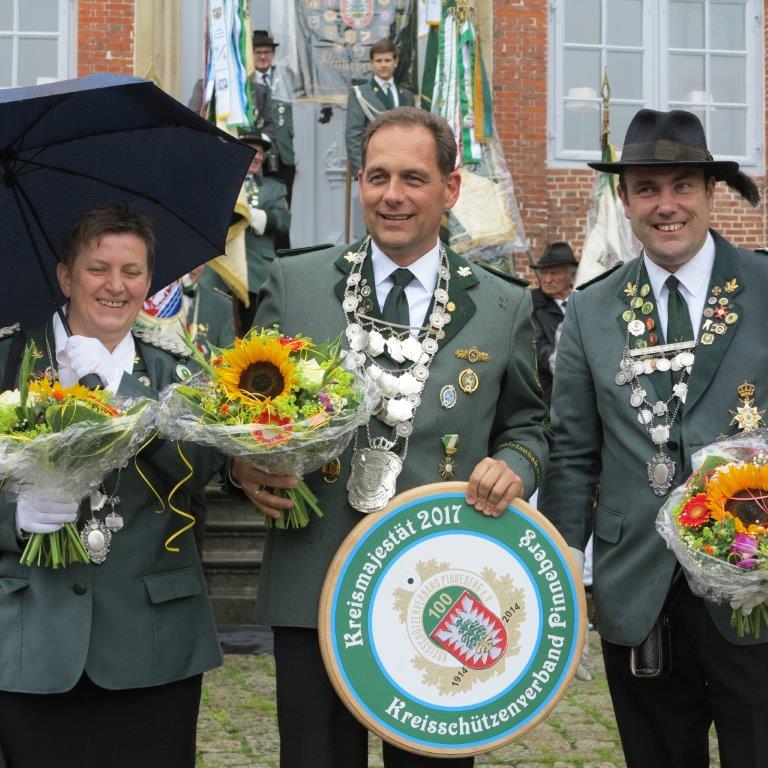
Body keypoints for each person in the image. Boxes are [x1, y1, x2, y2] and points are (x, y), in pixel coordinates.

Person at [231, 106, 550, 768]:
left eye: (413, 177)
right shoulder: (297, 283)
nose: (393, 196)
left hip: (438, 580)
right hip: (314, 577)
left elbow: (529, 423)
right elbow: (243, 410)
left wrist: (516, 464)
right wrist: (243, 466)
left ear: (450, 189)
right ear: (359, 184)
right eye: (377, 177)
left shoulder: (502, 304)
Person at [538, 108, 767, 768]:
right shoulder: (589, 310)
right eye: (647, 189)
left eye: (681, 186)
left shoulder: (764, 286)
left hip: (756, 584)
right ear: (625, 199)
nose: (666, 206)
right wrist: (554, 573)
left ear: (710, 191)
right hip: (639, 586)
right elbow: (574, 455)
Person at [0, 205, 226, 768]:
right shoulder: (9, 360)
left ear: (150, 281)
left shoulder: (177, 367)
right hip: (30, 636)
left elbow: (200, 466)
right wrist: (13, 516)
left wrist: (118, 388)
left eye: (132, 271)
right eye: (98, 268)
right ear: (64, 275)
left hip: (153, 638)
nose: (115, 286)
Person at [201, 131, 290, 334]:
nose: (257, 156)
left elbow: (284, 221)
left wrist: (251, 215)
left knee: (255, 332)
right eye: (252, 150)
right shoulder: (218, 182)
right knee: (215, 327)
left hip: (256, 270)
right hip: (220, 268)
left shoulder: (274, 188)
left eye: (260, 152)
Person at [345, 39, 416, 177]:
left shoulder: (407, 96)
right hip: (375, 168)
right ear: (372, 64)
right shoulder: (360, 93)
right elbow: (354, 136)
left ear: (395, 62)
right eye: (378, 61)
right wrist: (363, 173)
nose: (383, 65)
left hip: (404, 168)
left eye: (387, 60)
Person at [252, 29, 296, 215]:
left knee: (282, 209)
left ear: (273, 54)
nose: (263, 57)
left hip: (283, 154)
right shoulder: (245, 79)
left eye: (267, 52)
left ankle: (282, 245)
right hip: (254, 154)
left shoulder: (286, 76)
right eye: (258, 52)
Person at [530, 241, 578, 407]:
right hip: (550, 397)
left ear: (571, 276)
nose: (547, 279)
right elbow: (537, 347)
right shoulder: (531, 306)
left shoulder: (581, 303)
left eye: (554, 273)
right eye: (543, 273)